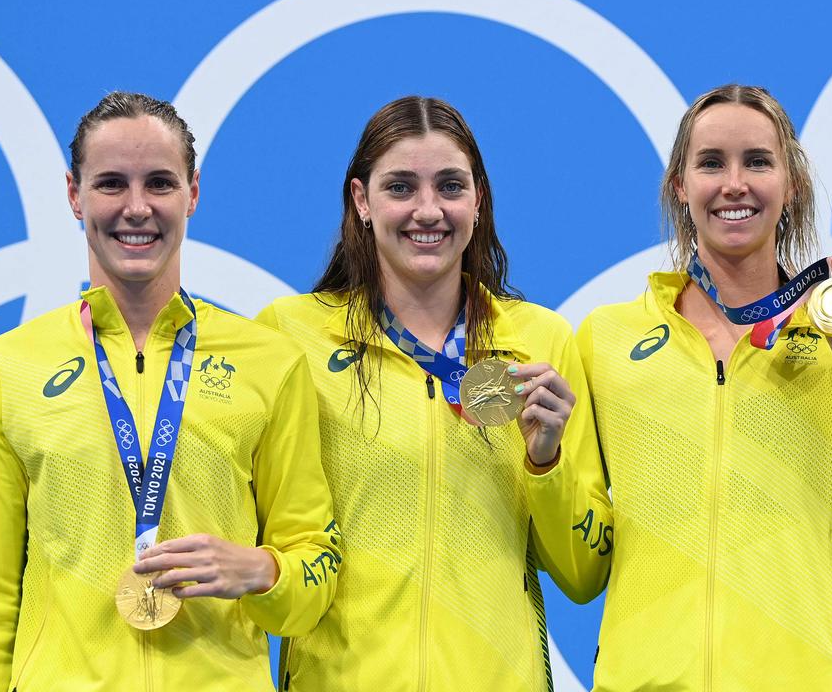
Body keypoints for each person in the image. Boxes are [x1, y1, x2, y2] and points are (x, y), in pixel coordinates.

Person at [0, 92, 340, 691]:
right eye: (109, 184)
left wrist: (261, 569)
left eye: (159, 183)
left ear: (193, 192)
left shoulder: (269, 364)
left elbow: (314, 576)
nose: (136, 208)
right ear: (73, 195)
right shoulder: (3, 371)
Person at [576, 84, 832, 690]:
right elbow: (582, 566)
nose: (734, 183)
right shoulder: (605, 341)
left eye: (758, 162)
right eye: (711, 163)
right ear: (679, 186)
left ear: (790, 185)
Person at [256, 96, 612, 691]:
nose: (429, 211)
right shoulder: (289, 337)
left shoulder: (540, 342)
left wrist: (545, 461)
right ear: (361, 201)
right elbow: (275, 548)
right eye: (401, 187)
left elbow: (583, 573)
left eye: (450, 186)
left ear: (478, 201)